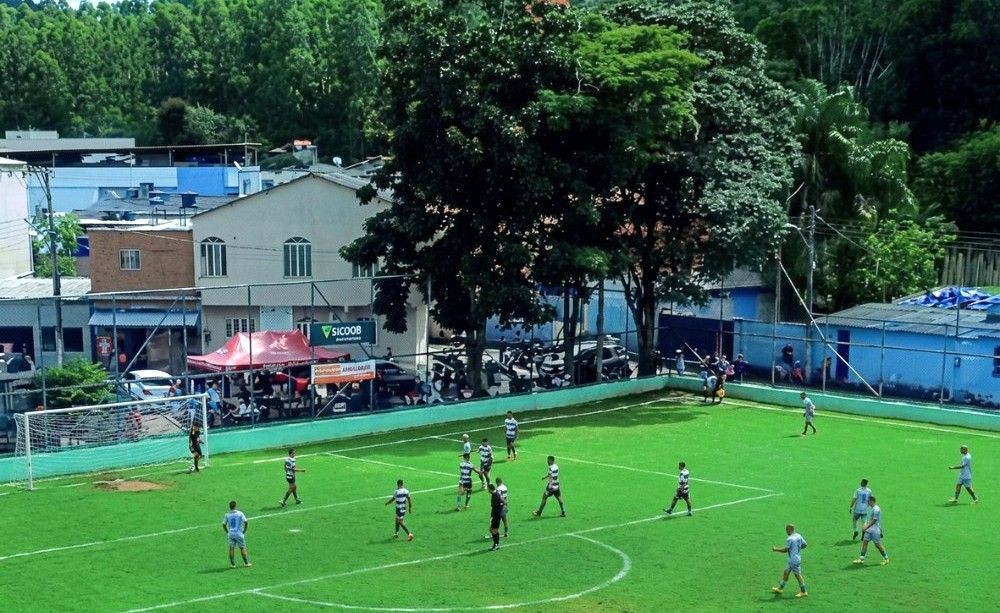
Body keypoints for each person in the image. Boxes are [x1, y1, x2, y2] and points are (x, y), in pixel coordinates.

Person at [771, 524, 808, 598]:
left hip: (793, 560)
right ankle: (780, 589)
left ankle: (804, 592)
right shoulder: (798, 535)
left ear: (789, 530)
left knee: (798, 575)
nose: (786, 532)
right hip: (795, 558)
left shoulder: (790, 539)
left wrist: (776, 549)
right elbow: (805, 545)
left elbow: (785, 550)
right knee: (786, 572)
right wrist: (796, 550)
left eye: (786, 530)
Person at [853, 496, 889, 565]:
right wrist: (866, 524)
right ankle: (861, 559)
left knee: (878, 545)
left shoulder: (876, 509)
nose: (867, 502)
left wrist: (866, 527)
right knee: (865, 542)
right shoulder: (872, 509)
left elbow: (874, 520)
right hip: (869, 530)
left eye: (868, 501)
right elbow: (870, 519)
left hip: (874, 530)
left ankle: (886, 558)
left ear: (872, 501)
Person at [222, 500, 251, 568]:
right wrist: (244, 531)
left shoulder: (227, 515)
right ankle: (246, 563)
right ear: (235, 506)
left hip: (231, 534)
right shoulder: (240, 513)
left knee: (231, 548)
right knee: (242, 548)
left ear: (230, 507)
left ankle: (232, 564)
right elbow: (246, 522)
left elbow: (223, 524)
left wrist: (227, 532)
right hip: (239, 533)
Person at [487, 483, 504, 551]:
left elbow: (495, 506)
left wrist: (494, 515)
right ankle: (497, 544)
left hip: (496, 516)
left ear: (490, 489)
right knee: (492, 529)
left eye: (488, 489)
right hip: (497, 515)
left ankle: (496, 544)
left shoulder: (494, 495)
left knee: (493, 530)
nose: (487, 490)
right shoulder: (497, 494)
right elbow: (502, 503)